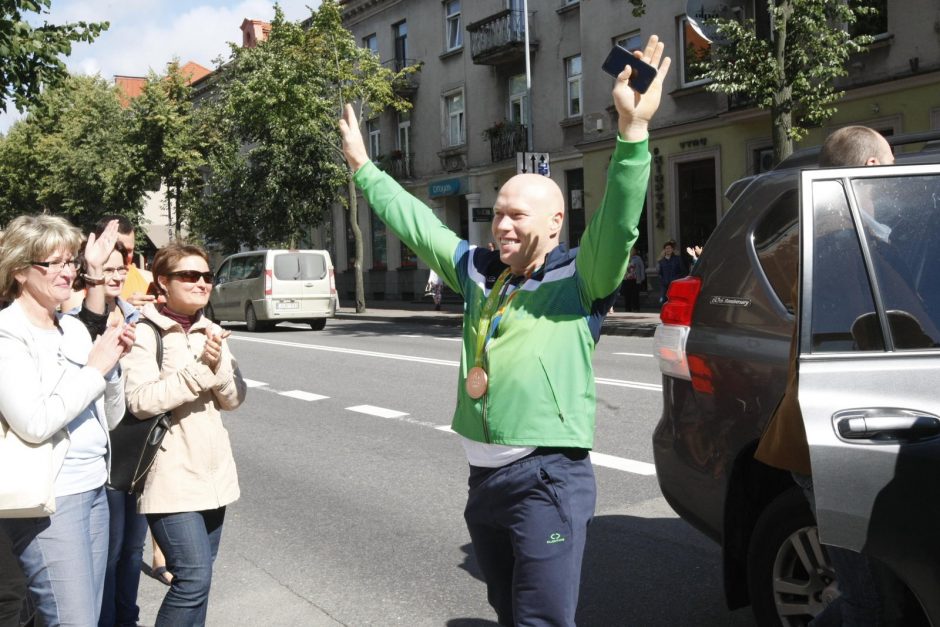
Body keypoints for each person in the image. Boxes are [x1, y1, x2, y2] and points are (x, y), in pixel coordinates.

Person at [339, 35, 670, 626]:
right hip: (484, 480)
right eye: (499, 213)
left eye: (519, 214)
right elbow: (418, 226)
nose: (504, 224)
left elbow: (619, 223)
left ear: (555, 220)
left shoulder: (581, 277)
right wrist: (366, 171)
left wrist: (632, 135)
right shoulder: (478, 272)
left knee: (541, 620)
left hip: (546, 479)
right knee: (506, 609)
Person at [755, 125, 896, 626]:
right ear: (874, 168)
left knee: (878, 598)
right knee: (868, 603)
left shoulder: (850, 238)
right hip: (837, 438)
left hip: (846, 435)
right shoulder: (832, 242)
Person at [0, 214, 134, 626]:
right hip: (51, 497)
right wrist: (95, 369)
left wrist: (111, 369)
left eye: (70, 261)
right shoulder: (7, 333)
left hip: (94, 486)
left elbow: (110, 417)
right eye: (52, 263)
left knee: (85, 617)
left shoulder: (72, 330)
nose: (66, 271)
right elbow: (35, 423)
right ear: (21, 271)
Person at [121, 241, 246, 626]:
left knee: (201, 578)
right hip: (169, 476)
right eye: (189, 276)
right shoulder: (145, 331)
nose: (202, 283)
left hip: (213, 475)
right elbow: (140, 400)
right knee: (191, 578)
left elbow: (234, 398)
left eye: (206, 276)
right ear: (163, 282)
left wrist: (218, 365)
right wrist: (199, 371)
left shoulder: (211, 331)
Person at [70, 232, 149, 627]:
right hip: (104, 448)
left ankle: (127, 616)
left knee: (134, 548)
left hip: (136, 448)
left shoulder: (140, 316)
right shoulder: (78, 319)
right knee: (109, 550)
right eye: (109, 268)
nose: (116, 275)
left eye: (122, 268)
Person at [657, 239, 685, 304]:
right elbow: (659, 274)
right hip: (665, 286)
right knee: (662, 301)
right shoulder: (661, 261)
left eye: (669, 248)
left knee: (675, 302)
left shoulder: (678, 259)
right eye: (666, 248)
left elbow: (683, 272)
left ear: (672, 249)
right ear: (664, 250)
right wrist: (662, 281)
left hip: (675, 285)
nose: (668, 250)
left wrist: (677, 280)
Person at [621, 247, 646, 312]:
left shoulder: (638, 258)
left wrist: (642, 277)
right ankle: (627, 309)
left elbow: (642, 267)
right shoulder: (624, 257)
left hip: (635, 279)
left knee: (635, 295)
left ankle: (636, 308)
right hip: (626, 279)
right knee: (627, 295)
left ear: (635, 251)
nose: (630, 251)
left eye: (632, 250)